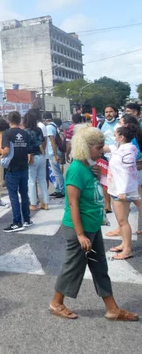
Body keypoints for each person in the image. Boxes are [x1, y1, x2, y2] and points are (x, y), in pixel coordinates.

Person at [49, 126, 139, 322]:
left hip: (92, 226)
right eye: (98, 148)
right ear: (86, 147)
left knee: (100, 268)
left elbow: (94, 192)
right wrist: (80, 235)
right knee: (73, 268)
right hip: (79, 229)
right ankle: (56, 303)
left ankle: (112, 309)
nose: (101, 151)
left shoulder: (88, 167)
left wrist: (97, 174)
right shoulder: (75, 170)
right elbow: (73, 203)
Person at [105, 123, 142, 260]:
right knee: (122, 220)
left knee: (122, 221)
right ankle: (124, 244)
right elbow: (106, 148)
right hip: (117, 188)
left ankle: (127, 249)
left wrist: (122, 191)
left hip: (122, 191)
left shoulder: (127, 150)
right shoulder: (122, 148)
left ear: (121, 137)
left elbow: (127, 173)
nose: (113, 136)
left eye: (115, 134)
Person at [2, 111, 32, 232]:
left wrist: (0, 156)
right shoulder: (25, 133)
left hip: (12, 168)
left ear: (9, 120)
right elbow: (29, 151)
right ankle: (27, 219)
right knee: (24, 194)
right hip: (24, 167)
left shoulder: (7, 133)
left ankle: (17, 222)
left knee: (13, 196)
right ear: (20, 120)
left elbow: (7, 150)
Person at [24, 113, 49, 211]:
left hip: (31, 156)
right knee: (42, 180)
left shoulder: (25, 132)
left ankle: (33, 203)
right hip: (41, 155)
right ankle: (46, 203)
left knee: (31, 181)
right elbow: (43, 141)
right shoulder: (38, 130)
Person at [100, 105, 120, 212]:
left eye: (110, 111)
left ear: (115, 113)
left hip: (118, 157)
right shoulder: (101, 124)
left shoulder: (120, 125)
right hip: (105, 157)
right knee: (105, 181)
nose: (108, 114)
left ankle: (121, 204)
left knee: (118, 182)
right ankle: (107, 205)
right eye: (106, 112)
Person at [44, 112, 65, 199]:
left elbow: (52, 140)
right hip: (55, 151)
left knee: (57, 172)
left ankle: (62, 190)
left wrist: (55, 154)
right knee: (55, 172)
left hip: (53, 152)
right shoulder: (54, 126)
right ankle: (57, 190)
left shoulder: (49, 127)